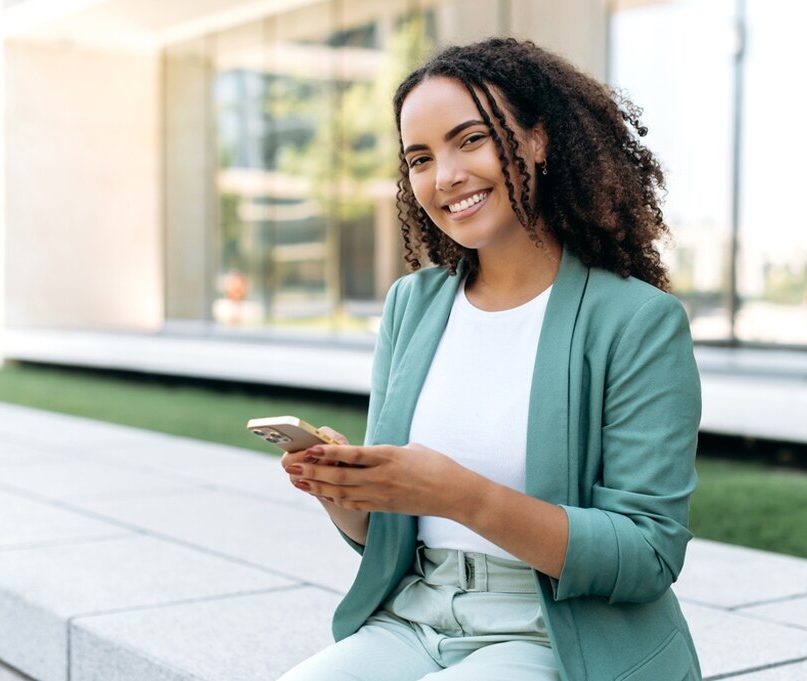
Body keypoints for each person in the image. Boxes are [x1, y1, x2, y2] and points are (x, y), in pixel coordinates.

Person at [279, 37, 702, 681]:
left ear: (538, 140)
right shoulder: (412, 305)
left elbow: (647, 553)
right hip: (413, 618)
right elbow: (389, 536)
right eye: (419, 157)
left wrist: (459, 495)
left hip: (553, 631)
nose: (444, 176)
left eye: (470, 140)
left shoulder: (636, 322)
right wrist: (345, 492)